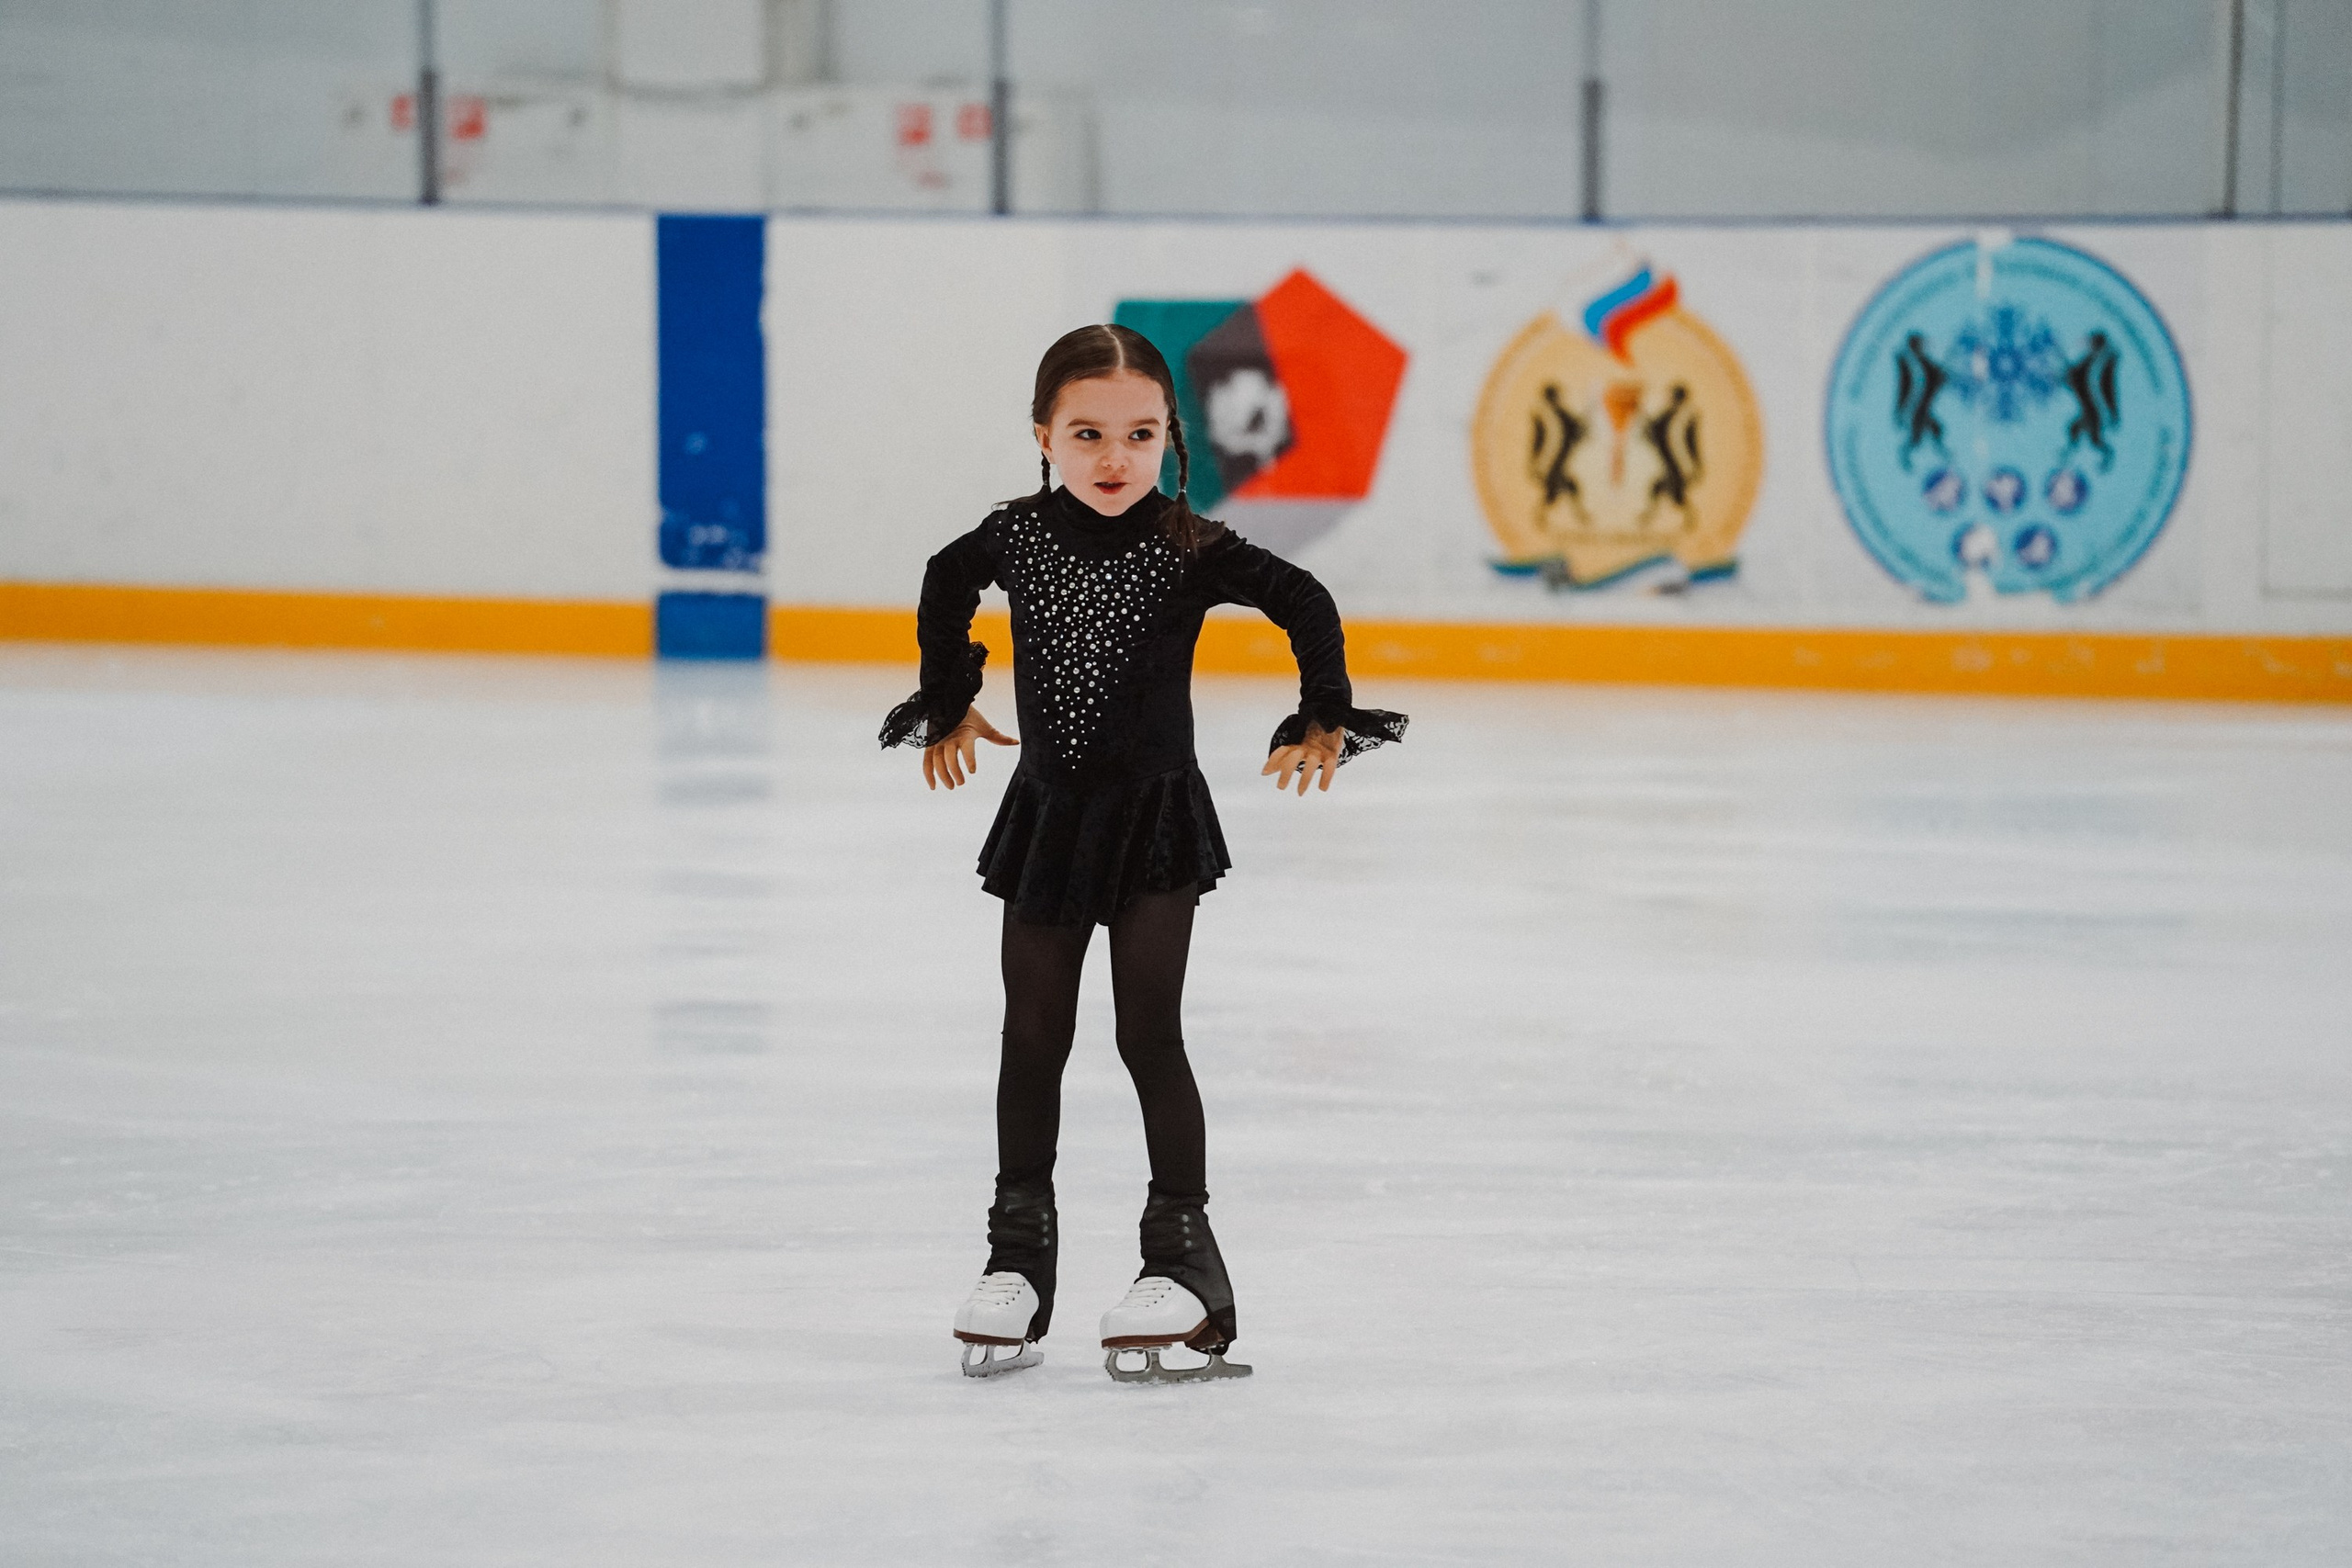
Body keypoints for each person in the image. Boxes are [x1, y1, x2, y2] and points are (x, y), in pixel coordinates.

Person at [879, 323, 1406, 1383]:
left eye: (1138, 434)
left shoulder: (1185, 543)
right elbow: (945, 577)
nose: (1112, 457)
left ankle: (1184, 1260)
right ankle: (1017, 1259)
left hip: (1155, 822)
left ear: (1170, 440)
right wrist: (948, 697)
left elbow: (1302, 600)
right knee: (1031, 1033)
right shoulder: (1015, 536)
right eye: (1087, 434)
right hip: (1047, 816)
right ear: (1044, 436)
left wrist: (1325, 711)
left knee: (1145, 1034)